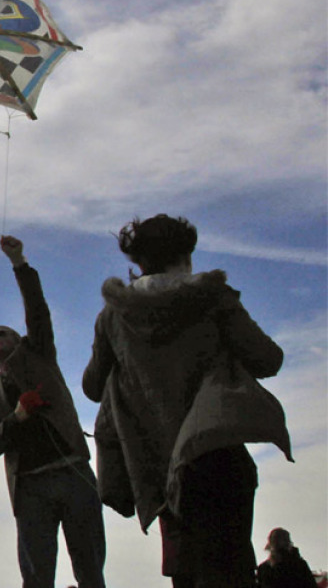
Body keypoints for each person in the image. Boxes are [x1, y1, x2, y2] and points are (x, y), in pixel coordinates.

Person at [83, 214, 289, 588]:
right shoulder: (213, 299)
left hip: (161, 469)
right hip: (218, 454)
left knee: (187, 573)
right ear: (185, 254)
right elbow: (267, 359)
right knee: (230, 570)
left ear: (138, 261)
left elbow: (92, 386)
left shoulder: (114, 316)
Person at [0, 236, 106, 588]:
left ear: (19, 341)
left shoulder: (40, 356)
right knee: (36, 577)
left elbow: (37, 310)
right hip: (30, 488)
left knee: (90, 569)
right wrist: (17, 416)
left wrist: (19, 263)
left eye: (1, 333)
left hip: (73, 473)